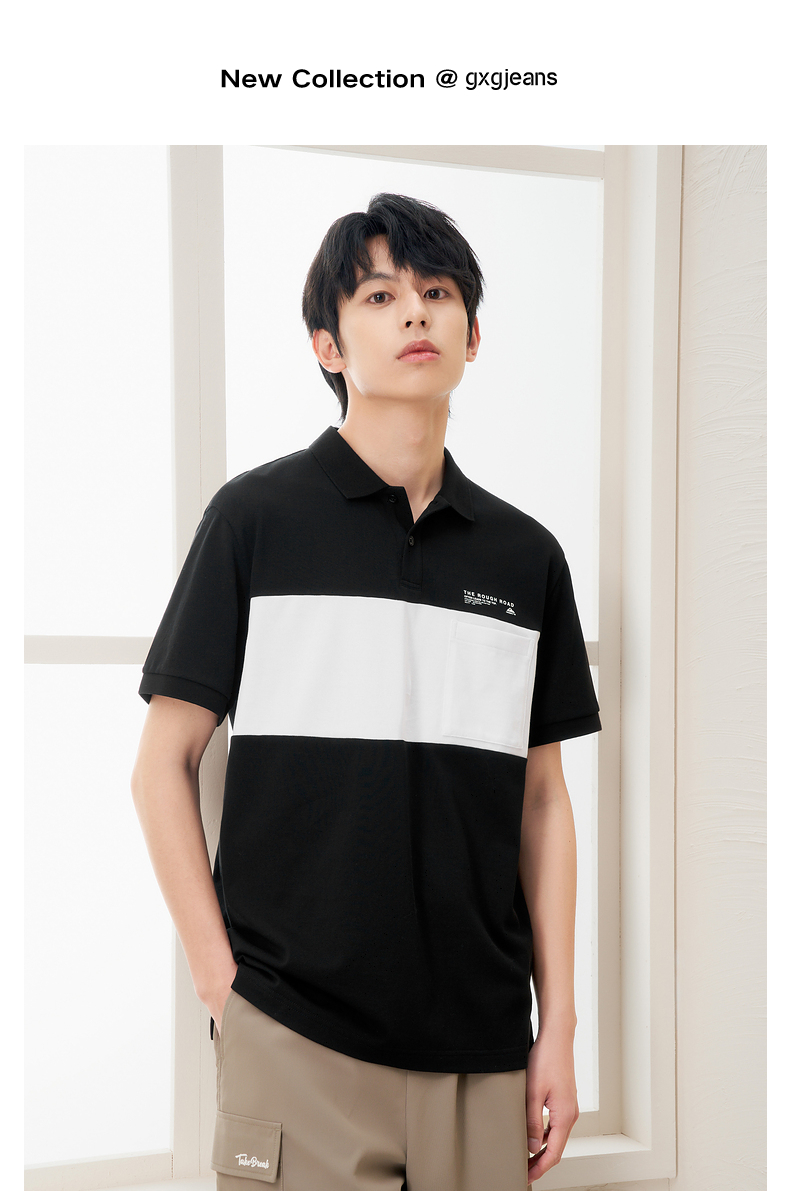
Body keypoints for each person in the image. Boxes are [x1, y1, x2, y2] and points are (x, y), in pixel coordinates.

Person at [131, 192, 601, 1190]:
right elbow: (161, 766)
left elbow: (542, 800)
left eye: (438, 292)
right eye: (380, 295)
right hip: (295, 1035)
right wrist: (224, 986)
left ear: (474, 336)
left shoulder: (526, 557)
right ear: (328, 345)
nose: (415, 311)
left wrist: (556, 1025)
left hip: (482, 1046)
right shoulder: (253, 521)